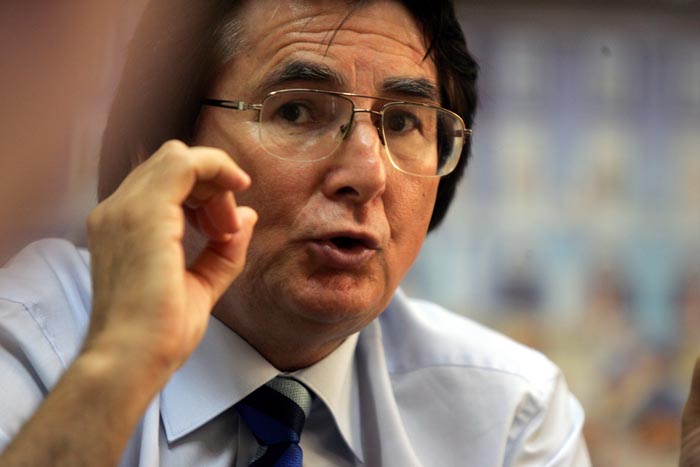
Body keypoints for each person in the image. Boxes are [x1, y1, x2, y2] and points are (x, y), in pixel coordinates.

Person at [0, 0, 592, 465]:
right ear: (155, 154)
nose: (368, 174)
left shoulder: (509, 415)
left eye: (403, 122)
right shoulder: (29, 340)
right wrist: (117, 368)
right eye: (296, 111)